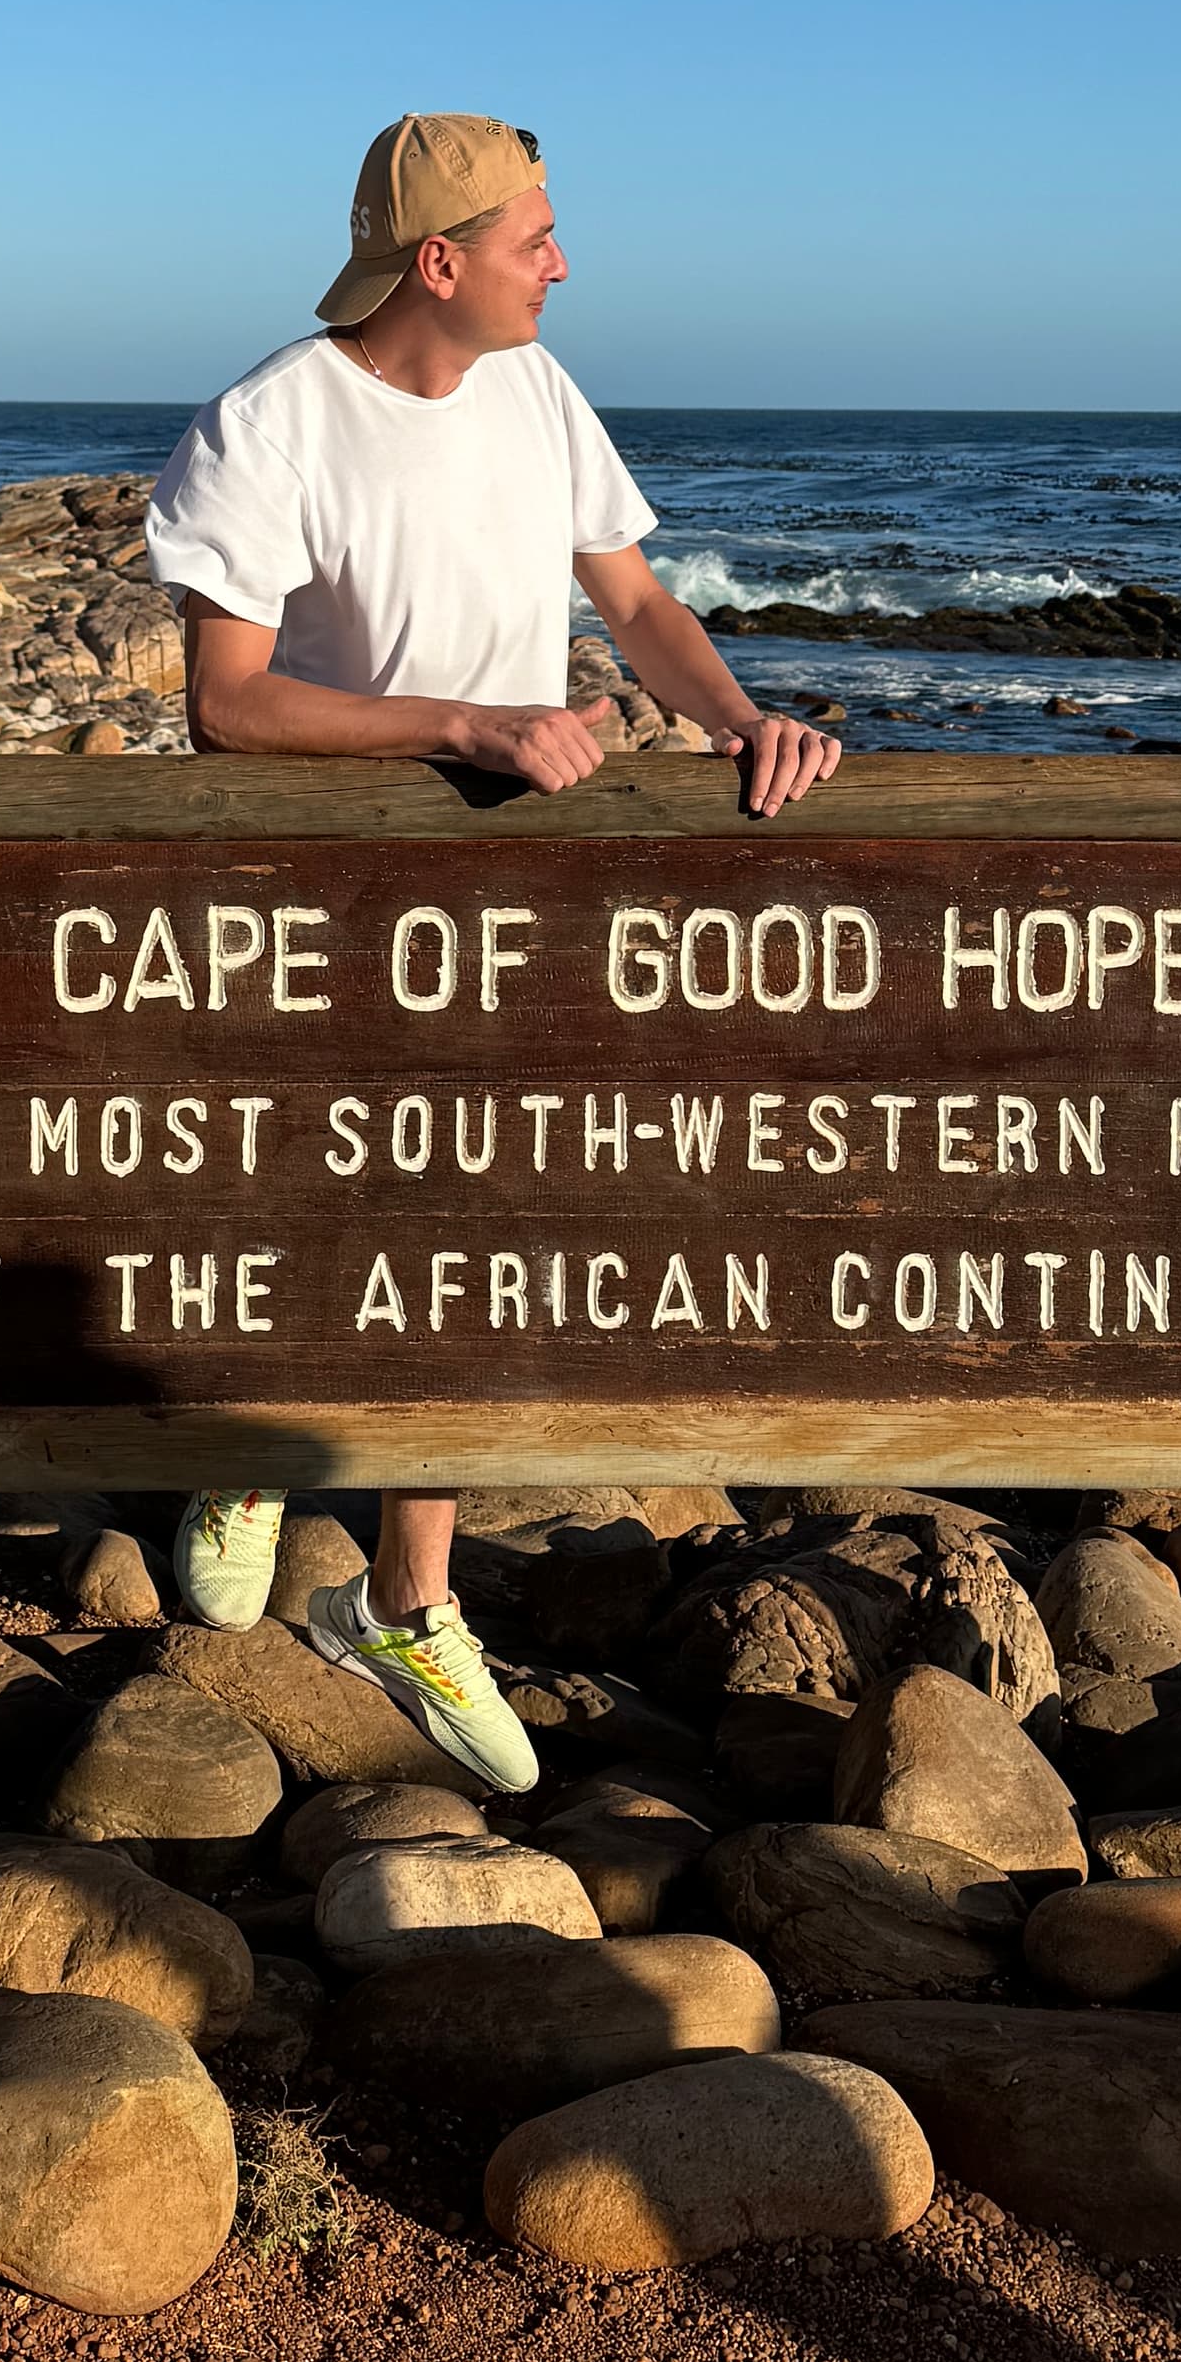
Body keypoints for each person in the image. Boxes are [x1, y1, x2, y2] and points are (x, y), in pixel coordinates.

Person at [141, 109, 840, 1788]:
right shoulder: (267, 422)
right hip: (321, 879)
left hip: (506, 877)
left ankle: (407, 1597)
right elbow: (226, 705)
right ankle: (246, 1447)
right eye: (538, 237)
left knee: (465, 1209)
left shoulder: (537, 388)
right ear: (437, 261)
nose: (566, 262)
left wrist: (747, 723)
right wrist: (474, 723)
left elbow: (641, 606)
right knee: (305, 1182)